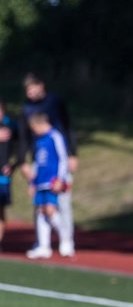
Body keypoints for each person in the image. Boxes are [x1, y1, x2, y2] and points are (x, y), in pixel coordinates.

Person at [17, 74, 77, 256]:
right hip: (40, 166)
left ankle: (67, 241)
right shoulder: (25, 109)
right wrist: (22, 161)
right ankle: (43, 244)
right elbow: (23, 137)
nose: (31, 93)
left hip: (57, 167)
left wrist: (73, 153)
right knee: (40, 208)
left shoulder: (55, 104)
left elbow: (68, 127)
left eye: (33, 88)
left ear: (40, 85)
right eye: (27, 91)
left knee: (61, 205)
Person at [23, 110, 68, 260]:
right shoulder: (38, 140)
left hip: (52, 181)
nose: (33, 131)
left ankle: (66, 240)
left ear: (41, 124)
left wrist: (60, 179)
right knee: (41, 212)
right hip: (40, 181)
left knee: (50, 210)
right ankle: (43, 246)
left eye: (34, 127)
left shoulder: (55, 136)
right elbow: (37, 163)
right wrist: (32, 182)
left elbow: (63, 158)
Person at [0, 101, 14, 250]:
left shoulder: (10, 126)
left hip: (3, 179)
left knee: (1, 210)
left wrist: (14, 165)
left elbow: (25, 143)